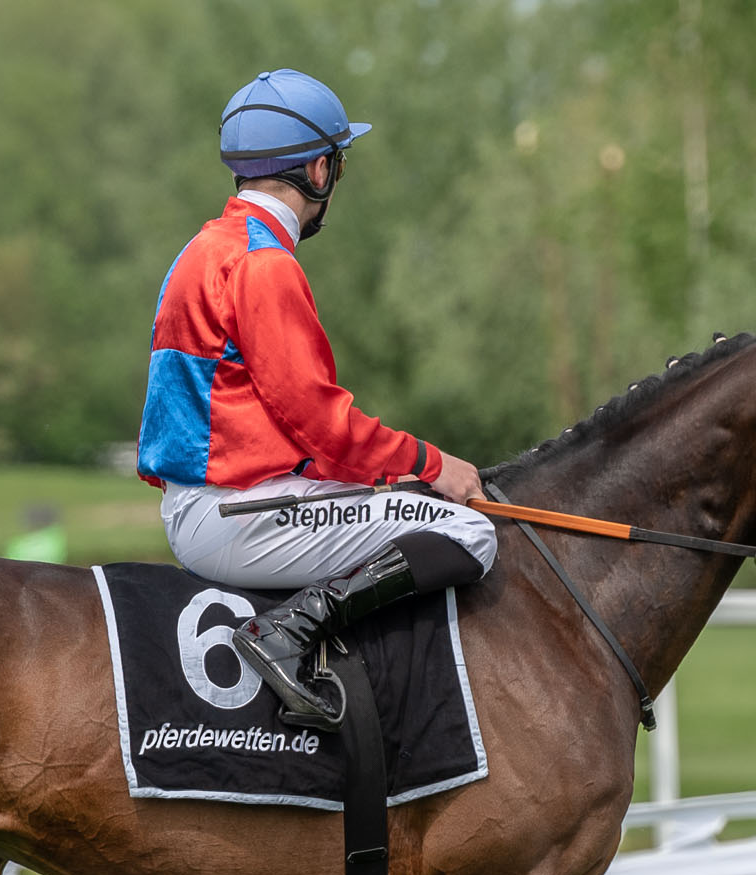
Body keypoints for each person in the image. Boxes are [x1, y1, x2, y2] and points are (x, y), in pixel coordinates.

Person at [138, 68, 491, 730]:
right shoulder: (265, 264)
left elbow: (274, 423)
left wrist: (388, 476)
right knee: (468, 531)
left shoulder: (203, 248)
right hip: (239, 513)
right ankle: (288, 633)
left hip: (206, 505)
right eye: (338, 163)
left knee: (408, 502)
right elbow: (322, 425)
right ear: (320, 171)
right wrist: (432, 463)